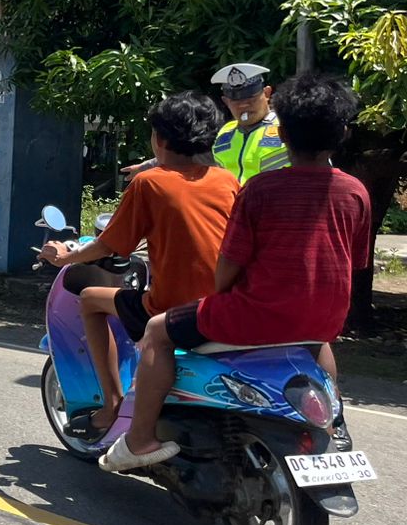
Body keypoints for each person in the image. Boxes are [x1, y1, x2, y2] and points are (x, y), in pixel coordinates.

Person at [103, 73, 373, 472]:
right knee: (317, 343)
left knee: (158, 330)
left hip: (255, 316)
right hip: (324, 317)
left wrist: (223, 293)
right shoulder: (356, 191)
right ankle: (334, 423)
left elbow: (228, 267)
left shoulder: (260, 189)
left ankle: (139, 439)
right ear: (344, 133)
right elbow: (356, 261)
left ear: (282, 133)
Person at [41, 93, 240, 431]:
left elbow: (107, 246)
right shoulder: (227, 180)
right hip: (225, 303)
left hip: (171, 308)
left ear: (159, 139)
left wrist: (65, 257)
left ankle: (111, 405)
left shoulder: (149, 183)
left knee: (89, 300)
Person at [209, 62, 289, 182]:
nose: (243, 105)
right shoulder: (223, 133)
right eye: (236, 100)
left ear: (266, 93)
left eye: (251, 97)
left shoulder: (286, 125)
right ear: (226, 102)